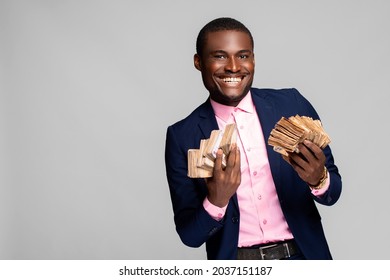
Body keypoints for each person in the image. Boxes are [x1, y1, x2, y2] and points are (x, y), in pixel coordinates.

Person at [165, 17, 342, 260]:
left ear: (254, 59)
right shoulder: (182, 136)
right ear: (198, 62)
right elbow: (190, 236)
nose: (234, 67)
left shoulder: (291, 104)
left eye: (243, 55)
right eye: (219, 56)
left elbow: (334, 192)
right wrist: (217, 200)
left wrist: (319, 180)